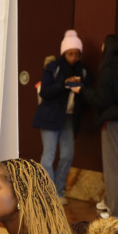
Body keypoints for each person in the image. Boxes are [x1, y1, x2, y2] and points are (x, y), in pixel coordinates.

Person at [74, 34, 118, 221]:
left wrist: (81, 90)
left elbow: (101, 99)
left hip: (113, 122)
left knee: (115, 167)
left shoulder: (109, 70)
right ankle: (111, 202)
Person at [32, 30, 91, 203]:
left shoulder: (84, 71)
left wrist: (80, 85)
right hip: (50, 115)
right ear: (63, 52)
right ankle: (48, 193)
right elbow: (45, 92)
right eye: (70, 53)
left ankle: (59, 189)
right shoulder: (53, 68)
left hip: (69, 117)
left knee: (67, 154)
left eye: (76, 54)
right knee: (48, 154)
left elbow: (87, 91)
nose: (73, 57)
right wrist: (64, 84)